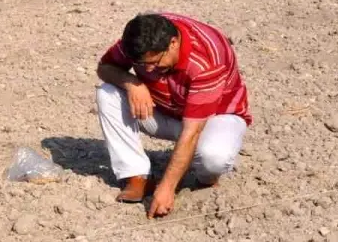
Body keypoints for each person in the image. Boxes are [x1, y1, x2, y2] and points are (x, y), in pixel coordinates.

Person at [96, 13, 251, 218]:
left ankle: (205, 178)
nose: (149, 69)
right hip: (163, 110)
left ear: (173, 43)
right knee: (107, 94)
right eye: (142, 64)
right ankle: (137, 176)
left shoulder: (206, 60)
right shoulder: (140, 40)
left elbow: (192, 131)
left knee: (214, 158)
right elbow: (104, 68)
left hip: (213, 118)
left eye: (154, 62)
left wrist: (167, 187)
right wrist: (132, 82)